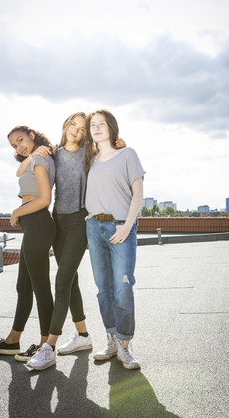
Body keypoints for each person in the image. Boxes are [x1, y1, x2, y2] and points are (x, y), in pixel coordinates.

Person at [26, 112, 126, 370]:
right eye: (74, 125)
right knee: (71, 281)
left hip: (79, 223)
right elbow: (27, 168)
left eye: (83, 129)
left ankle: (48, 347)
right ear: (65, 125)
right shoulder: (54, 153)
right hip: (57, 220)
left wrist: (118, 144)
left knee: (62, 281)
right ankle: (83, 336)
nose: (77, 131)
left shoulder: (89, 153)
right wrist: (35, 153)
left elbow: (112, 151)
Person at [0, 126, 56, 360]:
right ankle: (13, 340)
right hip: (32, 225)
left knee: (40, 288)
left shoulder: (41, 161)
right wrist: (31, 154)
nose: (19, 146)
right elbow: (18, 173)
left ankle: (46, 346)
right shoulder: (35, 157)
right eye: (14, 145)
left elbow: (45, 199)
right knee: (23, 287)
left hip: (38, 223)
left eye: (21, 140)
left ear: (32, 135)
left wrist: (17, 211)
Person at [84, 109, 145, 370]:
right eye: (93, 125)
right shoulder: (88, 158)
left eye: (102, 124)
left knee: (123, 287)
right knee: (103, 289)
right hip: (93, 228)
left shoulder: (128, 154)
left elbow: (138, 194)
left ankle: (124, 345)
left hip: (121, 227)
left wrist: (127, 227)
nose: (97, 128)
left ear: (111, 127)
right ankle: (110, 339)